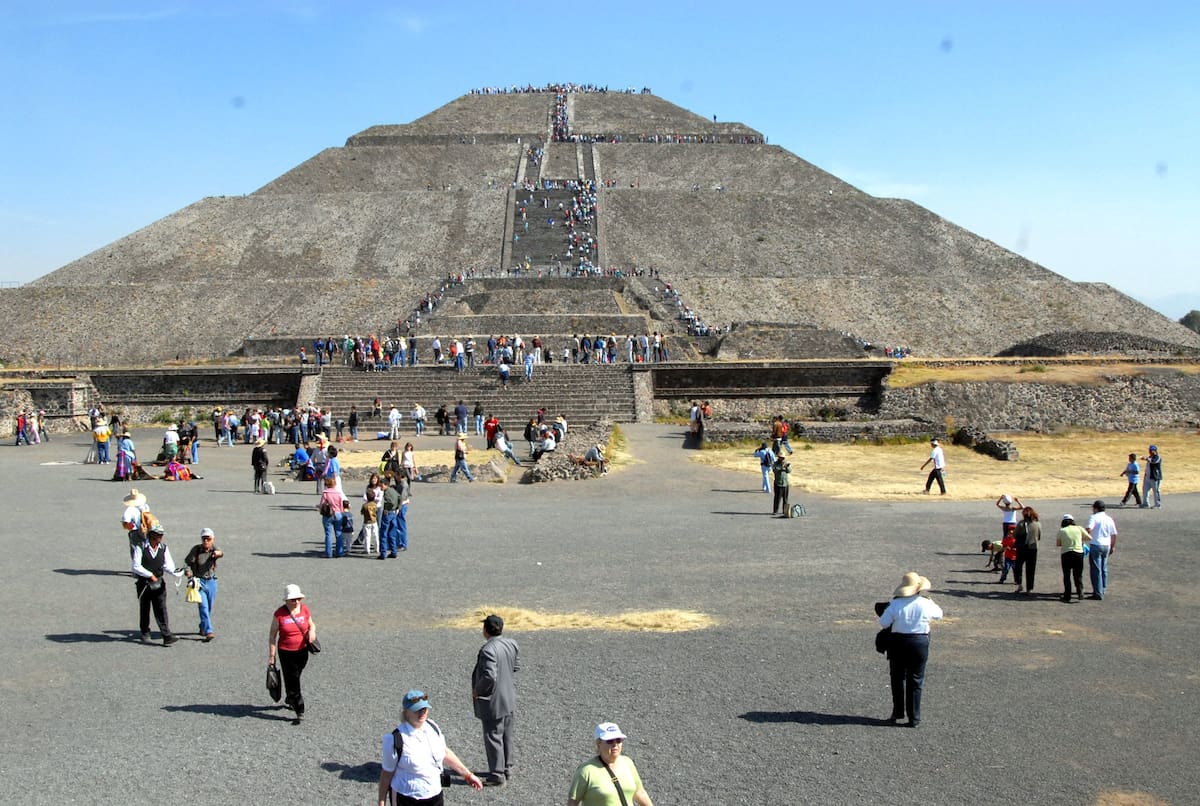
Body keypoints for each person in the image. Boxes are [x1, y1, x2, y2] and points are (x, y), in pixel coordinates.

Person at [377, 689, 483, 805]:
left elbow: (445, 753)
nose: (422, 713)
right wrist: (381, 802)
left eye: (425, 709)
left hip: (435, 795)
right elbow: (386, 774)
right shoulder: (395, 739)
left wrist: (468, 775)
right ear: (406, 712)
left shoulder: (433, 727)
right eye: (417, 710)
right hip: (406, 797)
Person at [878, 572, 943, 727]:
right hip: (919, 642)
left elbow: (883, 623)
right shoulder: (926, 603)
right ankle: (914, 717)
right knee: (916, 680)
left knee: (897, 678)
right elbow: (939, 615)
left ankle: (897, 712)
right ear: (919, 588)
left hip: (898, 643)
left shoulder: (895, 604)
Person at [472, 614, 520, 786]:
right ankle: (507, 768)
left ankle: (496, 774)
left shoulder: (487, 650)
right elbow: (515, 666)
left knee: (493, 736)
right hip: (509, 698)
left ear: (485, 630)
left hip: (493, 702)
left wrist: (477, 691)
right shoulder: (512, 643)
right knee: (507, 735)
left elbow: (489, 677)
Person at [567, 722, 655, 806]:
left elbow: (639, 793)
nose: (615, 744)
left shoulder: (628, 763)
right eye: (610, 741)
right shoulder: (586, 770)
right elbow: (573, 802)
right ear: (599, 744)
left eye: (618, 740)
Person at [268, 583, 317, 724]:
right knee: (293, 679)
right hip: (286, 652)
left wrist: (312, 631)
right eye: (293, 600)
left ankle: (290, 697)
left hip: (302, 651)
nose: (296, 602)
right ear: (286, 600)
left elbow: (311, 624)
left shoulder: (304, 610)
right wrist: (272, 656)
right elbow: (272, 635)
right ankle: (299, 709)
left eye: (298, 599)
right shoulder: (279, 614)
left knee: (295, 676)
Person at [131, 523, 183, 646]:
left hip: (159, 583)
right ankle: (145, 632)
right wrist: (150, 575)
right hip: (144, 584)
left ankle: (166, 635)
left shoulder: (164, 548)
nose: (160, 537)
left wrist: (177, 573)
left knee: (161, 609)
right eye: (158, 535)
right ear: (151, 535)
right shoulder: (140, 547)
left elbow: (168, 565)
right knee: (145, 608)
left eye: (161, 535)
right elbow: (135, 566)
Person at [184, 527, 222, 641]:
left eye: (208, 539)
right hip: (199, 582)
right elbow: (186, 562)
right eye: (204, 538)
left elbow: (221, 552)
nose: (206, 541)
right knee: (204, 607)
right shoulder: (196, 550)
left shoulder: (213, 549)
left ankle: (203, 626)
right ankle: (209, 631)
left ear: (212, 539)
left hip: (211, 582)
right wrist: (188, 571)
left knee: (209, 607)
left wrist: (218, 553)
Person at [1085, 500, 1118, 600]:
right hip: (1106, 545)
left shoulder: (1094, 517)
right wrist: (1112, 546)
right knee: (1104, 568)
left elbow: (1089, 529)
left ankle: (1098, 592)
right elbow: (1114, 534)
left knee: (1096, 569)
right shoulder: (1109, 519)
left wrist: (1084, 536)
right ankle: (1103, 588)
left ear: (1095, 508)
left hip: (1096, 545)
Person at [1056, 513, 1087, 603]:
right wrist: (1079, 539)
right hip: (1078, 553)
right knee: (1078, 574)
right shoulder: (1079, 528)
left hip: (1066, 553)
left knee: (1067, 575)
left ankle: (1067, 595)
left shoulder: (1062, 530)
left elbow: (1058, 544)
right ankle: (1080, 592)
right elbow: (1089, 537)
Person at [1012, 506, 1042, 595]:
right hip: (1033, 548)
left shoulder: (1021, 524)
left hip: (1022, 548)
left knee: (1018, 566)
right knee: (1031, 569)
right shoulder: (1038, 524)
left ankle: (1019, 584)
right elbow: (1039, 537)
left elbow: (1014, 535)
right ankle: (1029, 589)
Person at [318, 476, 347, 558]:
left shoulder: (325, 493)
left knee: (328, 534)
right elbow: (341, 505)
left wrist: (321, 510)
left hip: (328, 514)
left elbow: (322, 504)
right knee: (338, 533)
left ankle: (328, 552)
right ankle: (340, 552)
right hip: (338, 513)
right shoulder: (338, 493)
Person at [121, 488, 150, 560]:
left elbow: (126, 522)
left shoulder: (130, 510)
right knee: (146, 547)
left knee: (135, 549)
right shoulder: (145, 506)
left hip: (135, 531)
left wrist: (131, 528)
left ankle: (136, 566)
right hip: (147, 529)